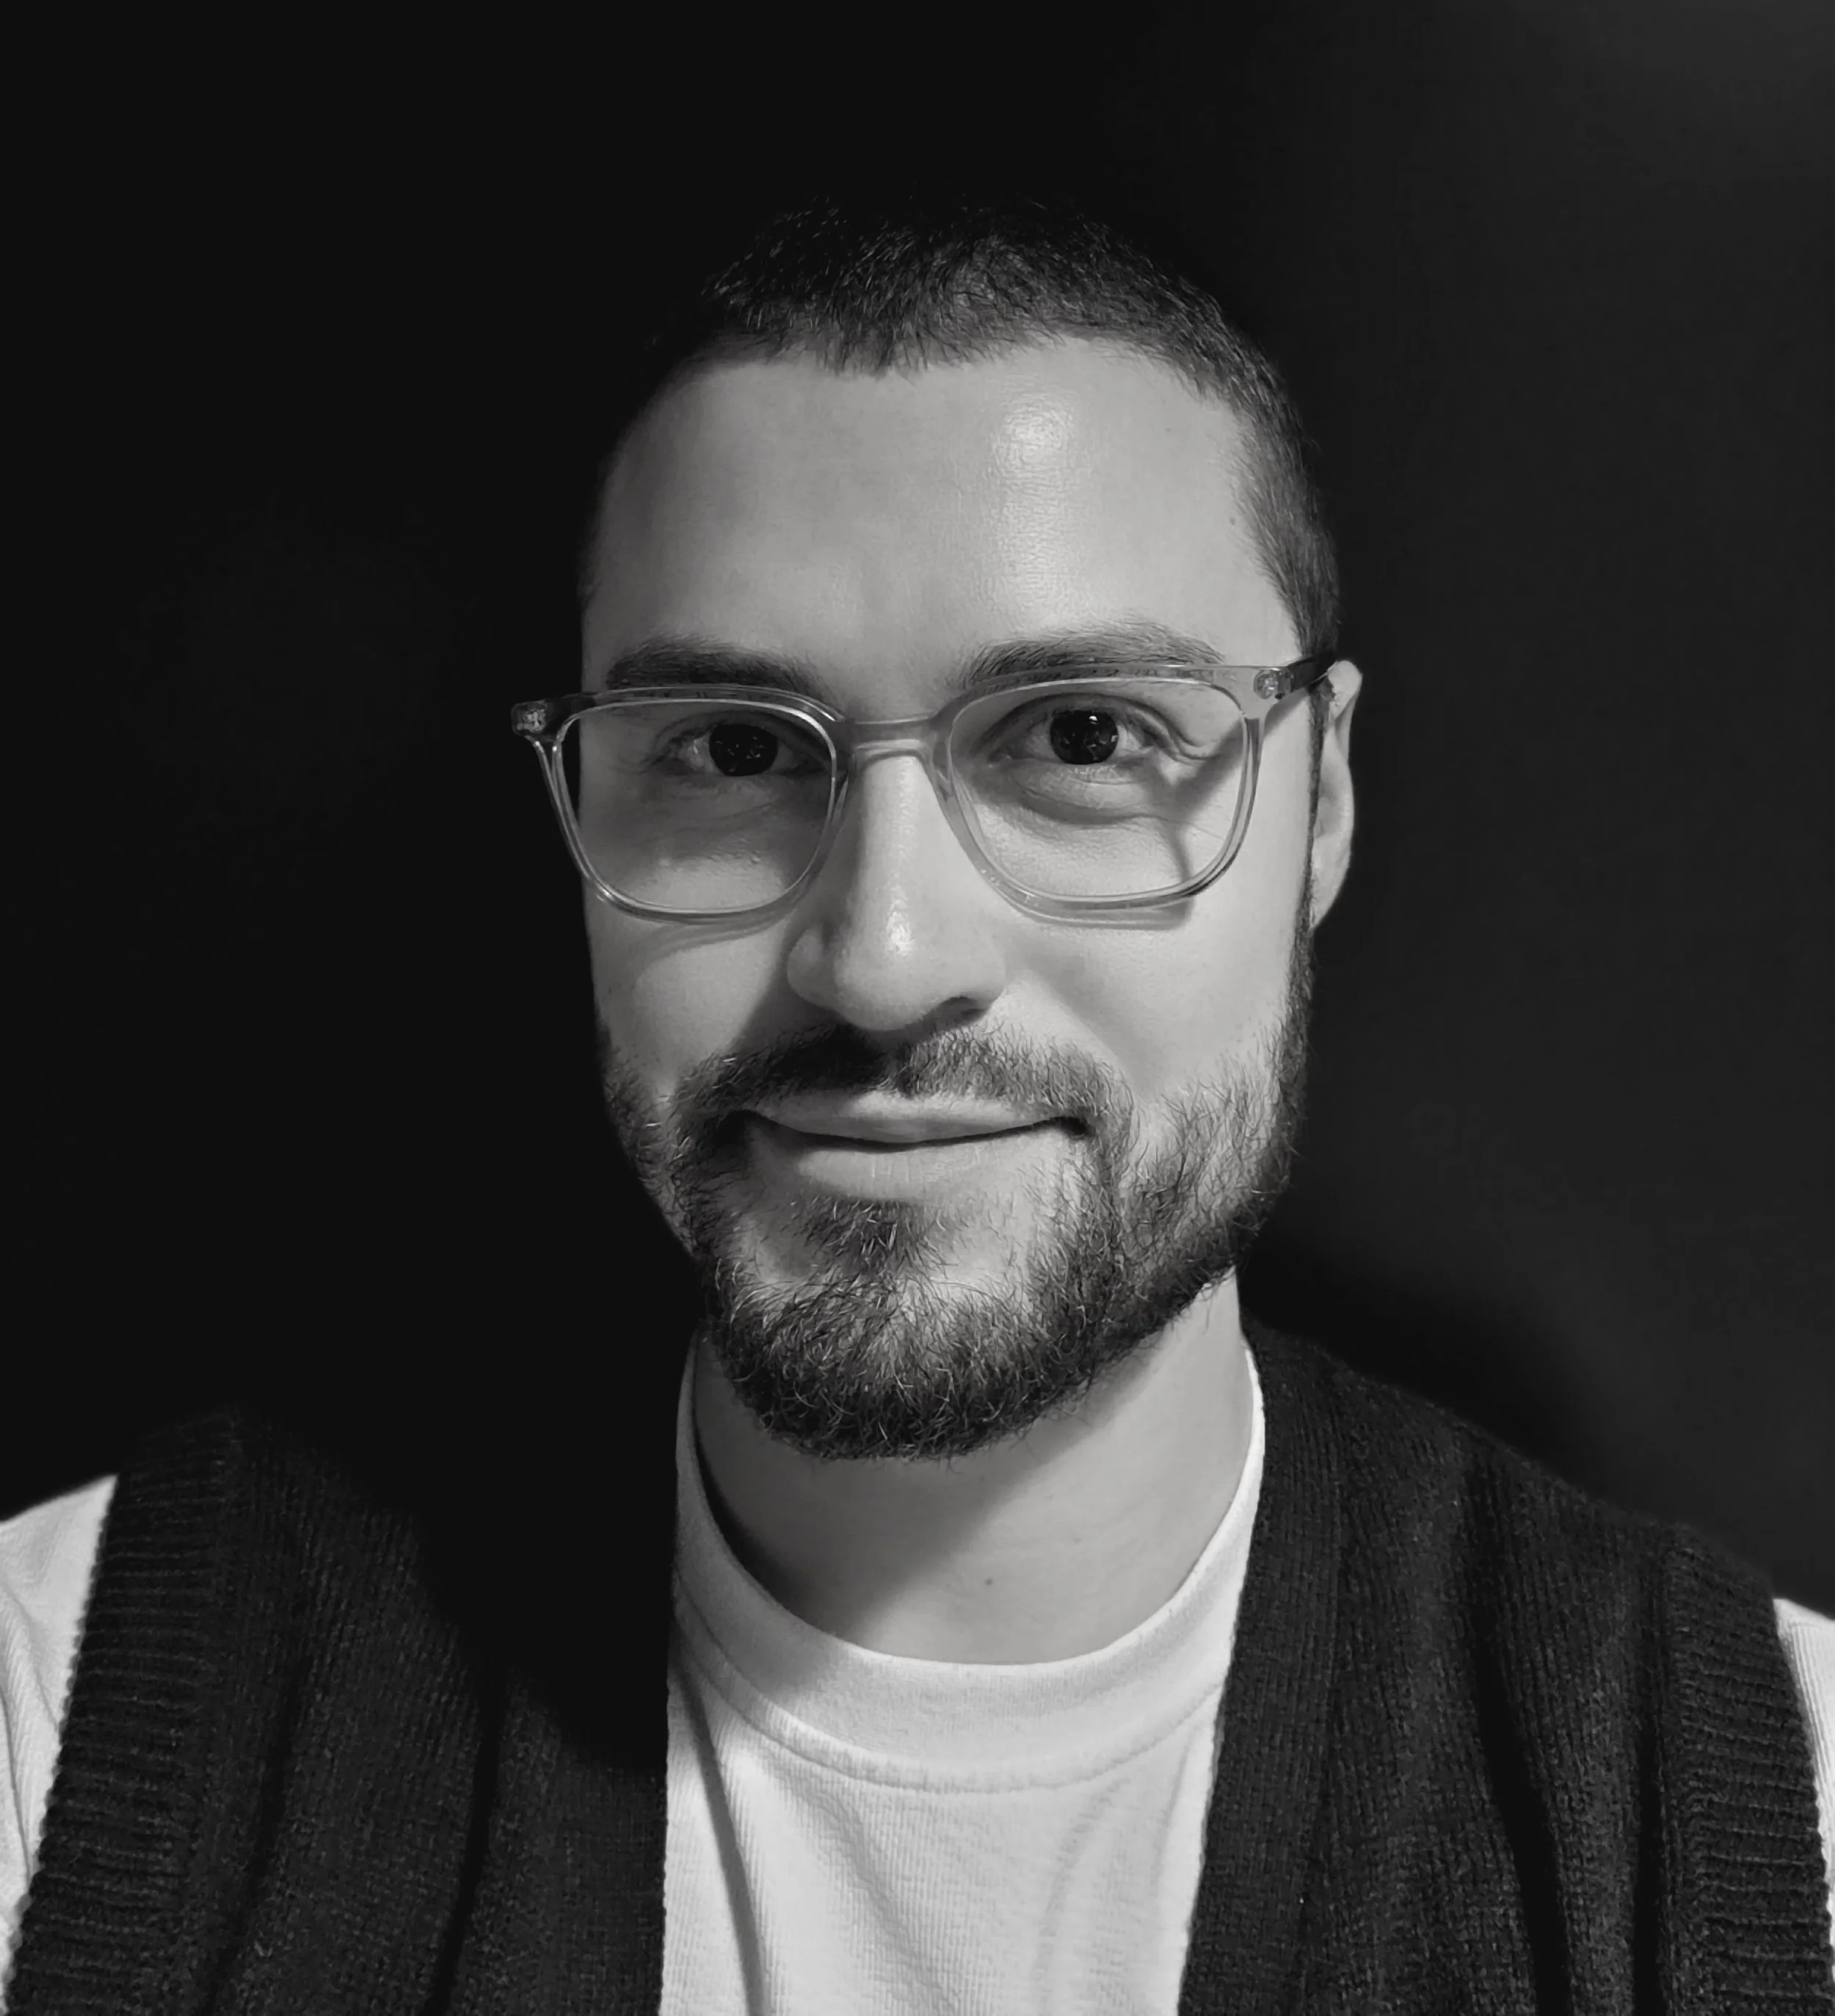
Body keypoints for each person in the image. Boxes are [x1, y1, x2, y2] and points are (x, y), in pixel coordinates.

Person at [3, 187, 1831, 2013]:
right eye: (727, 750)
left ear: (1321, 799)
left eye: (1082, 739)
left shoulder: (1767, 1830)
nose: (878, 956)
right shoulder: (65, 1715)